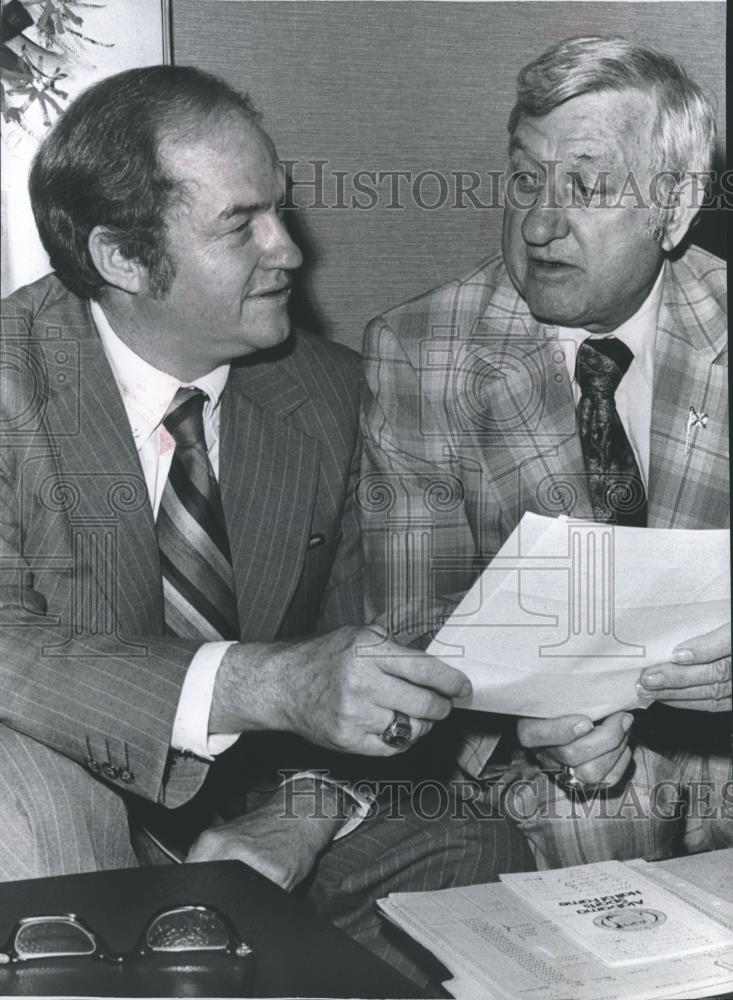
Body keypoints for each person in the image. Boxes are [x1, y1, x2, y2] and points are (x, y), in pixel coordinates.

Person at [0, 65, 534, 985]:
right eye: (238, 224)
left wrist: (302, 811)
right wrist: (264, 683)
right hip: (57, 827)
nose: (288, 249)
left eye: (279, 209)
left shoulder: (330, 392)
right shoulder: (11, 384)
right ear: (122, 258)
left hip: (247, 828)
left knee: (474, 844)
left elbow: (395, 644)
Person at [359, 36, 731, 868]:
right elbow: (416, 629)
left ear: (675, 208)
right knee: (589, 821)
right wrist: (533, 724)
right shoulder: (422, 349)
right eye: (527, 179)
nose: (537, 223)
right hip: (539, 760)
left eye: (587, 188)